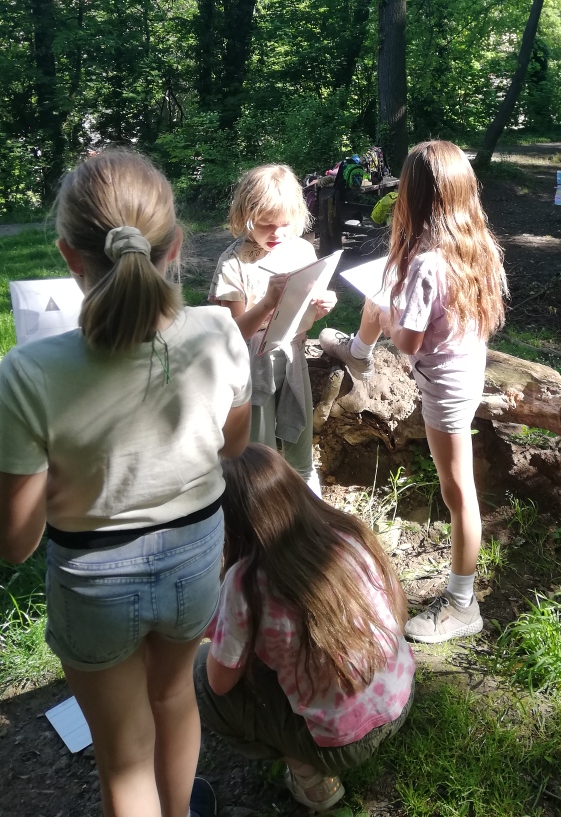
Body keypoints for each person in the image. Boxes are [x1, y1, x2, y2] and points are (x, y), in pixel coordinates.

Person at [0, 149, 252, 817]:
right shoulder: (220, 332)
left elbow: (15, 543)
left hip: (94, 581)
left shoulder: (26, 373)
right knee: (173, 695)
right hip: (195, 556)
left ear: (68, 256)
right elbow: (233, 447)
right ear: (176, 247)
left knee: (124, 754)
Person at [319, 140, 507, 644]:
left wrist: (387, 314)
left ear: (413, 194)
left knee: (457, 492)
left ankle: (463, 605)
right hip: (462, 369)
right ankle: (357, 352)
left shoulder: (428, 262)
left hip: (444, 387)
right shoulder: (475, 244)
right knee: (457, 489)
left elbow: (407, 342)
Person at [194, 444, 415, 813]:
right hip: (399, 697)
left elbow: (220, 683)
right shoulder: (347, 533)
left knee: (200, 674)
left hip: (342, 743)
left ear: (230, 521)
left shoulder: (246, 582)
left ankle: (310, 775)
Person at [209, 164, 336, 495]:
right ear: (245, 216)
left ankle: (308, 508)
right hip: (252, 367)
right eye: (266, 224)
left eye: (285, 224)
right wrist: (266, 303)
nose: (277, 233)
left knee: (299, 444)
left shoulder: (301, 250)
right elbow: (234, 333)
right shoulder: (235, 263)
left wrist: (320, 308)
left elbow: (303, 315)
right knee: (259, 452)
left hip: (293, 357)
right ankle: (261, 510)